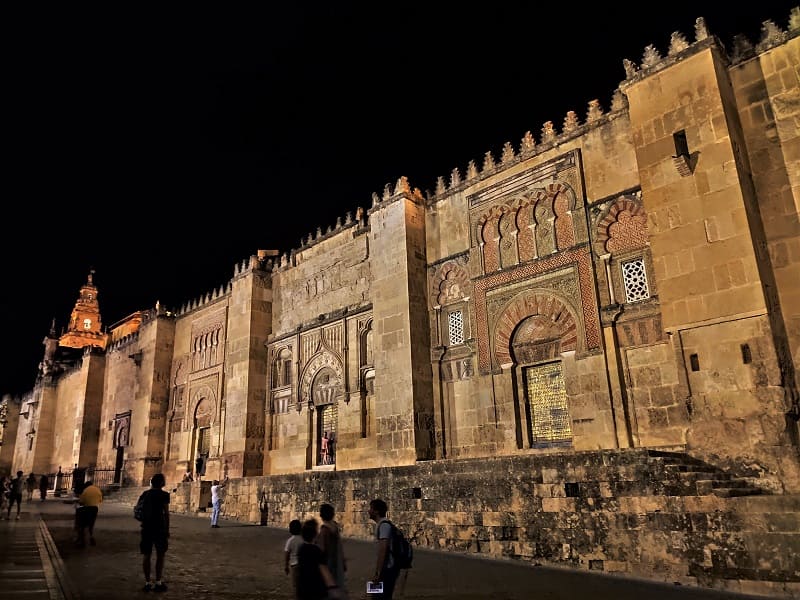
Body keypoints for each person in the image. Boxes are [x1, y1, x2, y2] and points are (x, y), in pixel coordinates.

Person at [137, 473, 170, 593]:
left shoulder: (145, 494)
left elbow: (138, 508)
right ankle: (158, 582)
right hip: (159, 528)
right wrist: (167, 529)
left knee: (147, 555)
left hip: (146, 527)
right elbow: (166, 513)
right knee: (160, 555)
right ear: (161, 483)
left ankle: (147, 582)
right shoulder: (164, 495)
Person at [296, 518, 341, 600]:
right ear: (315, 534)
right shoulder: (316, 551)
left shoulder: (301, 549)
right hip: (316, 589)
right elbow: (324, 570)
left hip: (303, 588)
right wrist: (333, 588)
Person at [368, 498, 399, 599]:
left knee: (379, 597)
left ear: (376, 511)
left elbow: (383, 550)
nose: (369, 511)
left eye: (371, 508)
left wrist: (378, 573)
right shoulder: (382, 525)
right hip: (386, 569)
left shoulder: (384, 526)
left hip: (387, 570)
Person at [315, 503, 348, 597]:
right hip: (337, 564)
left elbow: (321, 551)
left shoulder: (324, 530)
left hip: (328, 565)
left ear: (321, 515)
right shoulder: (335, 528)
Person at [75, 479, 103, 547]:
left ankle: (81, 540)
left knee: (82, 524)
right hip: (95, 509)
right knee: (91, 524)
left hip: (86, 509)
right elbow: (100, 500)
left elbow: (81, 501)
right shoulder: (97, 489)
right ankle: (91, 537)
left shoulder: (86, 490)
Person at [284, 519, 303, 596]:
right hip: (303, 564)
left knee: (295, 584)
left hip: (294, 565)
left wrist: (286, 566)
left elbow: (287, 554)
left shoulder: (290, 541)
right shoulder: (303, 539)